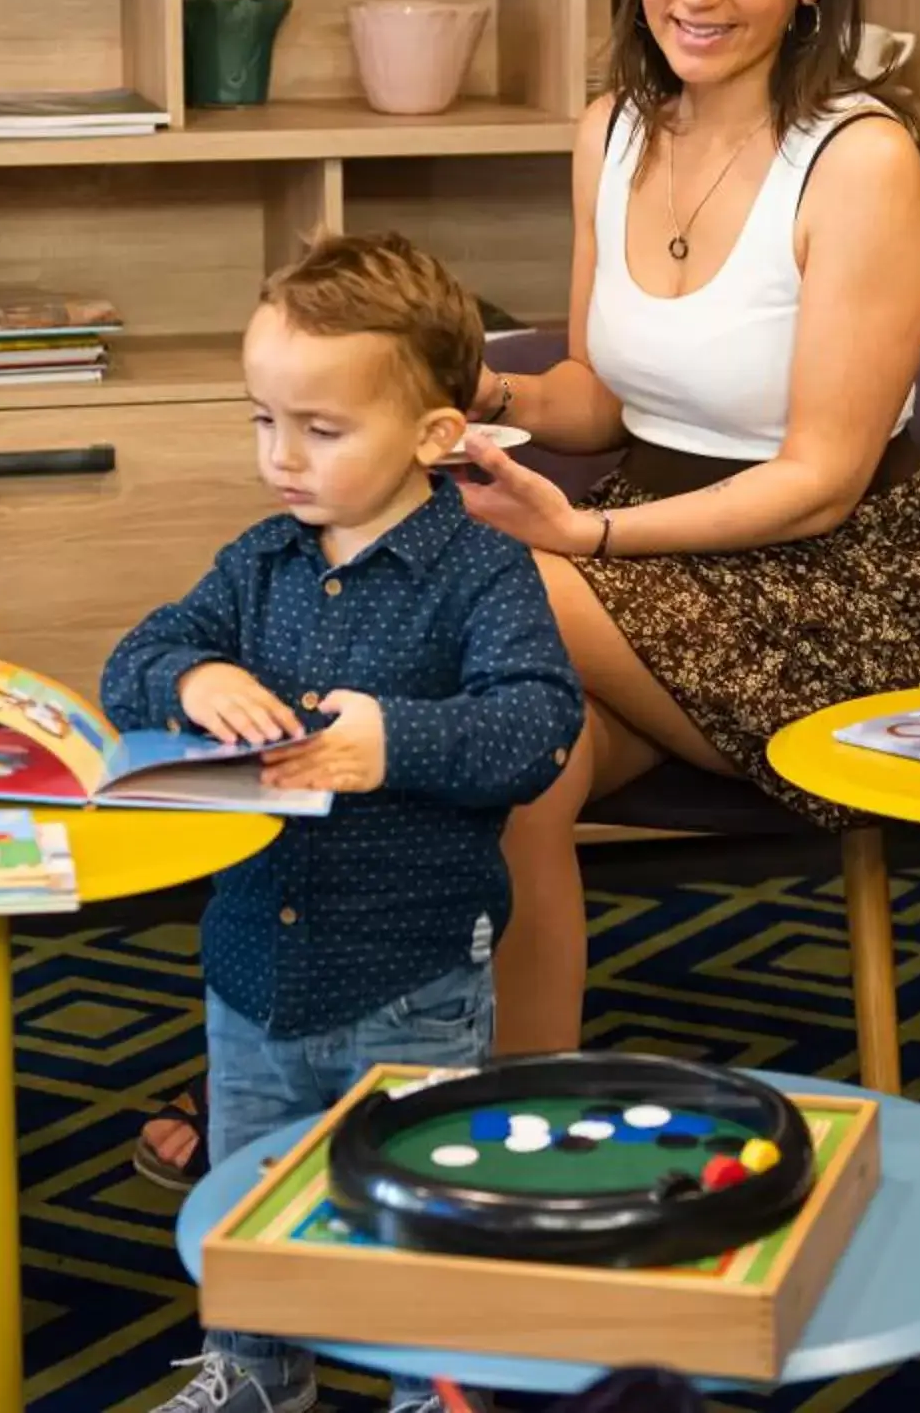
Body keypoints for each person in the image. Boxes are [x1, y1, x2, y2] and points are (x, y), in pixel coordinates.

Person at [459, 0, 920, 1054]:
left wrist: (580, 543)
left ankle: (306, 1032)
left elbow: (818, 480)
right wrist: (482, 394)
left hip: (837, 577)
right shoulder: (612, 131)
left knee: (464, 576)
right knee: (510, 755)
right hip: (659, 551)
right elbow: (598, 392)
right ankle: (513, 1093)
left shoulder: (859, 159)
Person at [100, 232, 586, 1413]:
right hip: (251, 965)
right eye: (264, 420)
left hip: (410, 969)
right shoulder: (258, 561)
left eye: (321, 430)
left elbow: (540, 724)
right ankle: (257, 1376)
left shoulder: (480, 573)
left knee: (414, 1202)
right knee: (255, 1203)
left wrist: (398, 742)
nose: (282, 456)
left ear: (431, 437)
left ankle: (436, 1394)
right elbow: (135, 660)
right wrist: (190, 681)